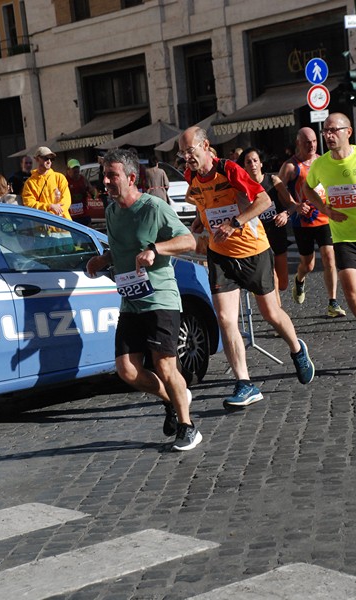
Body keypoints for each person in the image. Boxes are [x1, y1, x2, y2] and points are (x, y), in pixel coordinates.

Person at [178, 126, 315, 409]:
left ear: (205, 146)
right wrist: (201, 220)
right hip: (220, 255)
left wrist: (235, 222)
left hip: (253, 250)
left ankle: (297, 349)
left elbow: (263, 200)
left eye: (189, 150)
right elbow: (202, 201)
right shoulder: (190, 176)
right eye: (182, 152)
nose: (186, 157)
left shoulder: (229, 170)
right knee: (226, 319)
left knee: (271, 313)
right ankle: (244, 382)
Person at [86, 149, 201, 451]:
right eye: (105, 175)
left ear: (132, 177)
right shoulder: (111, 212)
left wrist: (156, 249)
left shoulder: (154, 208)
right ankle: (174, 399)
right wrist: (102, 260)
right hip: (131, 300)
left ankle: (188, 426)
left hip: (160, 298)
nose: (106, 181)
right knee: (126, 370)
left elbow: (189, 240)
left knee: (165, 366)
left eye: (112, 175)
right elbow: (121, 249)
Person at [303, 112, 356, 365]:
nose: (328, 135)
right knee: (350, 292)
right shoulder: (321, 165)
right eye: (325, 131)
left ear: (347, 132)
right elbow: (307, 188)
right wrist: (324, 209)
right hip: (345, 237)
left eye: (333, 130)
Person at [278, 127, 346, 318]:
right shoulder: (291, 166)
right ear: (298, 143)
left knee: (330, 258)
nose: (312, 145)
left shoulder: (324, 161)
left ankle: (333, 302)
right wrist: (295, 205)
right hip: (303, 221)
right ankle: (299, 280)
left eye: (315, 141)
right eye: (307, 142)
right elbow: (279, 189)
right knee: (307, 264)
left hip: (324, 216)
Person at [237, 147, 297, 305]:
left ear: (261, 164)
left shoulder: (273, 181)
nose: (253, 164)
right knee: (273, 279)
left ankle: (295, 284)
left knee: (283, 282)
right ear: (244, 166)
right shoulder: (242, 188)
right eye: (248, 162)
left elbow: (292, 205)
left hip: (277, 232)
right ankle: (278, 313)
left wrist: (286, 214)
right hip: (258, 238)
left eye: (255, 160)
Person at [21, 146, 72, 219]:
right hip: (41, 227)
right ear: (37, 159)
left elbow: (66, 201)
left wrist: (52, 214)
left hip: (63, 225)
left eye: (51, 159)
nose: (49, 161)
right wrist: (49, 207)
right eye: (46, 158)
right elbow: (29, 204)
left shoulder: (60, 178)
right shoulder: (30, 183)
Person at [65, 158, 96, 226]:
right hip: (71, 216)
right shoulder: (64, 181)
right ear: (68, 170)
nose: (76, 170)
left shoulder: (83, 179)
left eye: (77, 168)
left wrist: (92, 191)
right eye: (73, 168)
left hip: (84, 214)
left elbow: (93, 194)